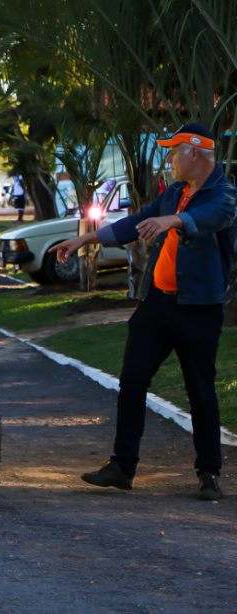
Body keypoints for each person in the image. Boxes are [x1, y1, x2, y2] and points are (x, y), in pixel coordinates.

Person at [49, 123, 237, 500]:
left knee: (200, 390)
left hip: (198, 308)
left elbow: (215, 217)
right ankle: (123, 467)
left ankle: (209, 473)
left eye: (174, 152)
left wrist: (175, 220)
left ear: (194, 152)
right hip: (157, 304)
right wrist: (85, 237)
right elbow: (135, 223)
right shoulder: (175, 193)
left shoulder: (224, 193)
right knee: (132, 381)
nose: (170, 159)